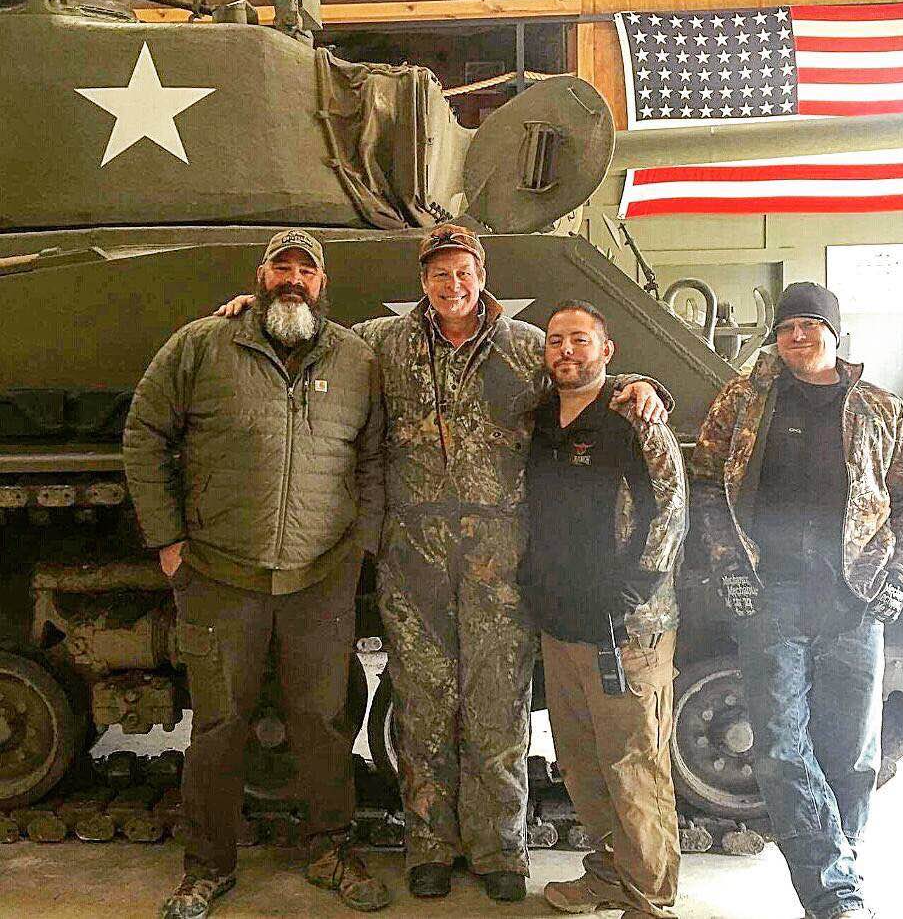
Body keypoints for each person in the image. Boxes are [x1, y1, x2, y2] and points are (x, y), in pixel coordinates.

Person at [213, 224, 667, 904]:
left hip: (500, 556)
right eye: (438, 274)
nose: (452, 286)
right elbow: (306, 339)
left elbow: (584, 373)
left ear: (481, 276)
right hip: (414, 554)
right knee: (423, 705)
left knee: (498, 705)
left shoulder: (526, 346)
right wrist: (254, 308)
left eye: (463, 273)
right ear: (423, 282)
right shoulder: (381, 342)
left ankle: (498, 848)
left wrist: (641, 384)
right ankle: (429, 844)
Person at [123, 230, 389, 919]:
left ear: (322, 284)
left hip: (319, 574)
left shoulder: (356, 357)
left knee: (324, 721)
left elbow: (373, 456)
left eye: (307, 270)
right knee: (219, 725)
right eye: (281, 267)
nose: (293, 279)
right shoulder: (202, 345)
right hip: (220, 571)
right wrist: (168, 539)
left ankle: (332, 849)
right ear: (260, 276)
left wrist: (360, 545)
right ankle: (207, 866)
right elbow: (146, 433)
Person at [690, 282, 903, 919]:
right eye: (787, 327)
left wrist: (900, 575)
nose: (798, 336)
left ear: (835, 333)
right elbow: (706, 482)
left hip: (855, 595)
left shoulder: (879, 407)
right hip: (772, 592)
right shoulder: (744, 403)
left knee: (852, 752)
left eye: (810, 325)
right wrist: (728, 564)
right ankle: (834, 894)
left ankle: (841, 864)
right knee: (779, 746)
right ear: (776, 337)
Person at [518, 300, 686, 919]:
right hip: (562, 622)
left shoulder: (634, 417)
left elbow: (671, 506)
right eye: (556, 340)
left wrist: (635, 590)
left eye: (580, 339)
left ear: (606, 350)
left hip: (625, 627)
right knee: (582, 763)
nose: (566, 350)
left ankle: (650, 898)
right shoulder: (541, 419)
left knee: (633, 764)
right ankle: (609, 874)